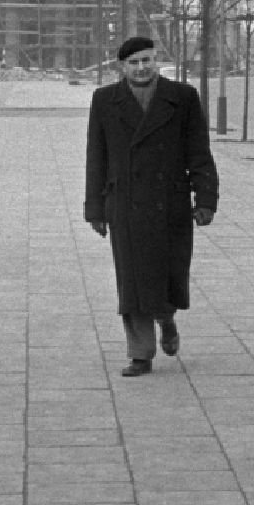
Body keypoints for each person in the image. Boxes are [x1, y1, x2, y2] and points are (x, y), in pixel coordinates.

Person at [84, 34, 219, 377]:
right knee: (131, 280)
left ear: (156, 60)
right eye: (134, 62)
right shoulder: (104, 100)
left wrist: (205, 199)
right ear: (122, 67)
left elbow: (199, 152)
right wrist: (95, 210)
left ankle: (167, 319)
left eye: (147, 60)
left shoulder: (183, 98)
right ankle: (140, 353)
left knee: (168, 275)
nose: (141, 68)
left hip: (170, 203)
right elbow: (96, 157)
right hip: (125, 203)